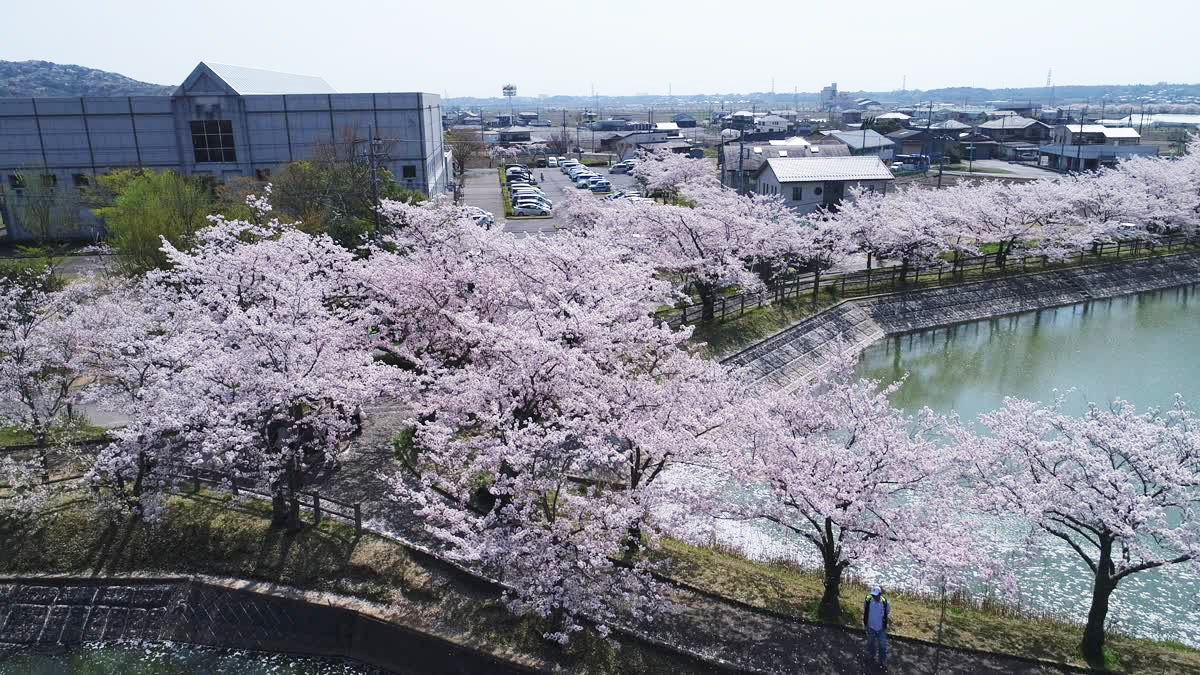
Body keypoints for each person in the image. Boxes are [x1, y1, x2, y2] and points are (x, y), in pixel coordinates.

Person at [863, 585, 889, 669]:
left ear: (880, 594)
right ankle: (871, 656)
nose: (874, 597)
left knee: (882, 645)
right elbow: (865, 610)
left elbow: (887, 611)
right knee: (870, 643)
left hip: (881, 628)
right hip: (870, 626)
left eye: (876, 595)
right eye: (873, 595)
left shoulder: (885, 603)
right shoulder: (868, 601)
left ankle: (882, 661)